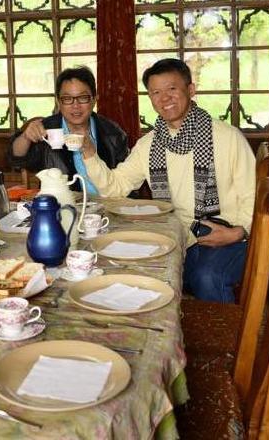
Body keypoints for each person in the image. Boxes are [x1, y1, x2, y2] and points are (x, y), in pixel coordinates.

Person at [80, 59, 255, 303]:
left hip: (227, 235)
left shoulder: (227, 137)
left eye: (172, 89)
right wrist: (89, 153)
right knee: (129, 270)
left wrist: (238, 232)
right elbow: (115, 187)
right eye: (156, 92)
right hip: (175, 235)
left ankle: (233, 339)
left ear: (190, 90)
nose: (164, 98)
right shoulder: (149, 144)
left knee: (206, 277)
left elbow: (251, 194)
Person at [8, 66, 130, 192]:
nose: (75, 106)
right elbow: (16, 159)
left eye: (83, 98)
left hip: (106, 205)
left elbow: (126, 181)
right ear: (58, 101)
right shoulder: (47, 129)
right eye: (67, 99)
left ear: (94, 99)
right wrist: (26, 137)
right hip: (60, 204)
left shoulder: (113, 133)